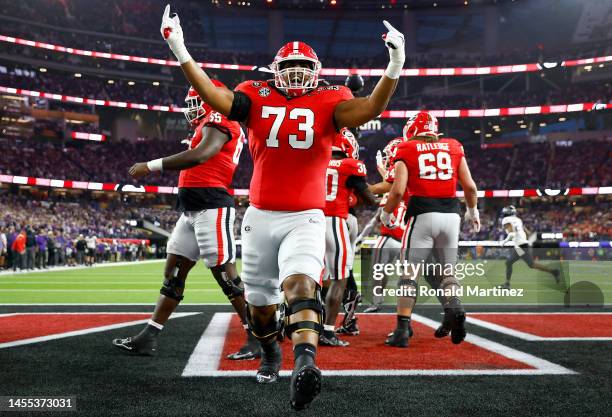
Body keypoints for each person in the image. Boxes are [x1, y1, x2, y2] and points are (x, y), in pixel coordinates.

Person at [160, 4, 404, 409]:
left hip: (306, 216)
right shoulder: (254, 94)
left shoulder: (331, 98)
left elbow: (371, 108)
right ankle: (272, 351)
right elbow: (215, 96)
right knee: (260, 307)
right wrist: (180, 50)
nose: (296, 72)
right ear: (275, 69)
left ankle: (306, 363)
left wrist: (395, 63)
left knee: (302, 285)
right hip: (260, 217)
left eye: (303, 66)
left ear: (316, 70)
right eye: (288, 65)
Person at [113, 81, 259, 361]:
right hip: (190, 210)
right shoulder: (208, 122)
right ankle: (149, 336)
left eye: (197, 101)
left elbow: (202, 154)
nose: (192, 108)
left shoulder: (220, 117)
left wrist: (151, 165)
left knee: (226, 276)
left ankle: (256, 337)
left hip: (212, 206)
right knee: (173, 273)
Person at [381, 111, 480, 348]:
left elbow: (397, 189)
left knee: (409, 274)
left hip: (422, 213)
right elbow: (470, 186)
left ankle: (402, 330)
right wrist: (473, 212)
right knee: (448, 273)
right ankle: (454, 308)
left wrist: (386, 213)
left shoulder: (406, 149)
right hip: (452, 216)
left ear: (412, 131)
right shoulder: (454, 146)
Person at [320, 128, 376, 347]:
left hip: (307, 220)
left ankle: (295, 322)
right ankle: (327, 331)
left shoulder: (315, 160)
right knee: (340, 277)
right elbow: (370, 199)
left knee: (307, 275)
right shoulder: (350, 165)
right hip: (334, 221)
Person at [498, 205, 560, 289]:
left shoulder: (506, 219)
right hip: (522, 245)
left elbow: (512, 233)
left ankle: (507, 284)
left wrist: (503, 242)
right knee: (530, 264)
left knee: (510, 262)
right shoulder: (518, 219)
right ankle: (554, 272)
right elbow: (526, 232)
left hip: (520, 246)